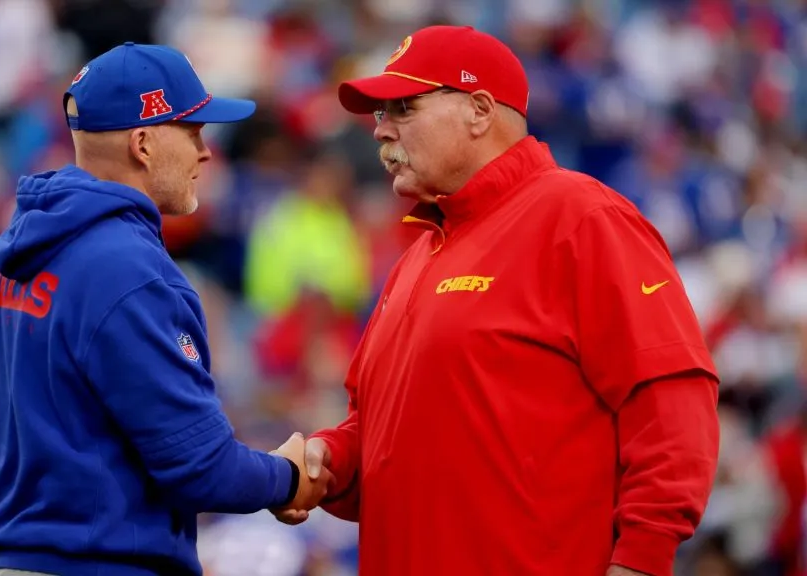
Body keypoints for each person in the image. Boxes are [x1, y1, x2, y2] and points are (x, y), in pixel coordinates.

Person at [274, 25, 721, 576]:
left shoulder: (581, 217)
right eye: (380, 114)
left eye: (403, 108)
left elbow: (671, 395)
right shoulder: (417, 256)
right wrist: (327, 460)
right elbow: (383, 436)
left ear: (480, 111)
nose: (381, 130)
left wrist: (642, 559)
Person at [0, 42, 330, 576]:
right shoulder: (130, 271)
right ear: (144, 144)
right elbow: (200, 466)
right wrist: (287, 477)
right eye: (192, 132)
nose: (205, 152)